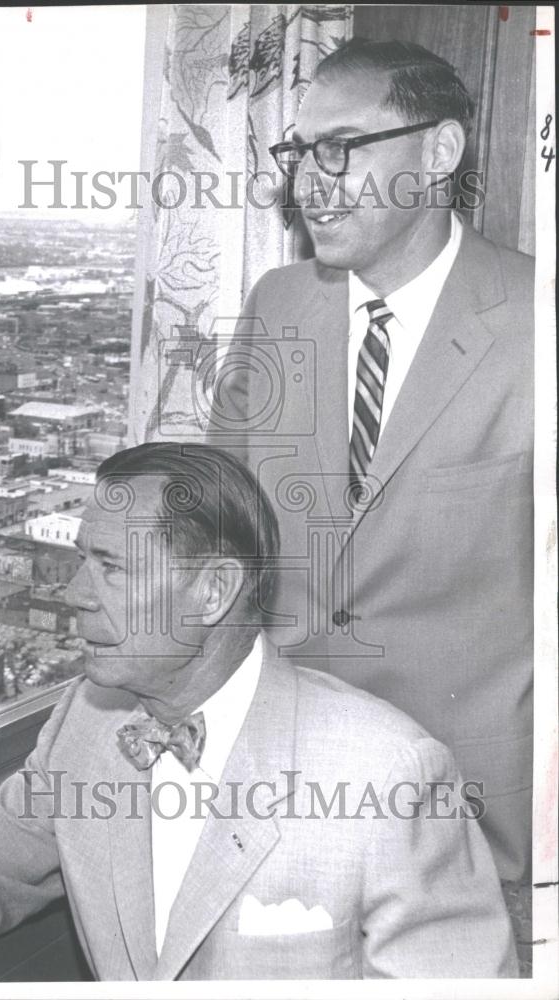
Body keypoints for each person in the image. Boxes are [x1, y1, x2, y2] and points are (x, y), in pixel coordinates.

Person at [0, 443, 517, 982]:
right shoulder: (88, 720)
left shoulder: (390, 776)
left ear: (213, 591)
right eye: (81, 559)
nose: (73, 592)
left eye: (109, 566)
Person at [206, 39, 533, 885]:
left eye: (340, 148)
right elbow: (216, 536)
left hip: (478, 827)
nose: (309, 180)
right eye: (299, 152)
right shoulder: (276, 306)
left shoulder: (543, 324)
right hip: (277, 805)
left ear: (439, 152)